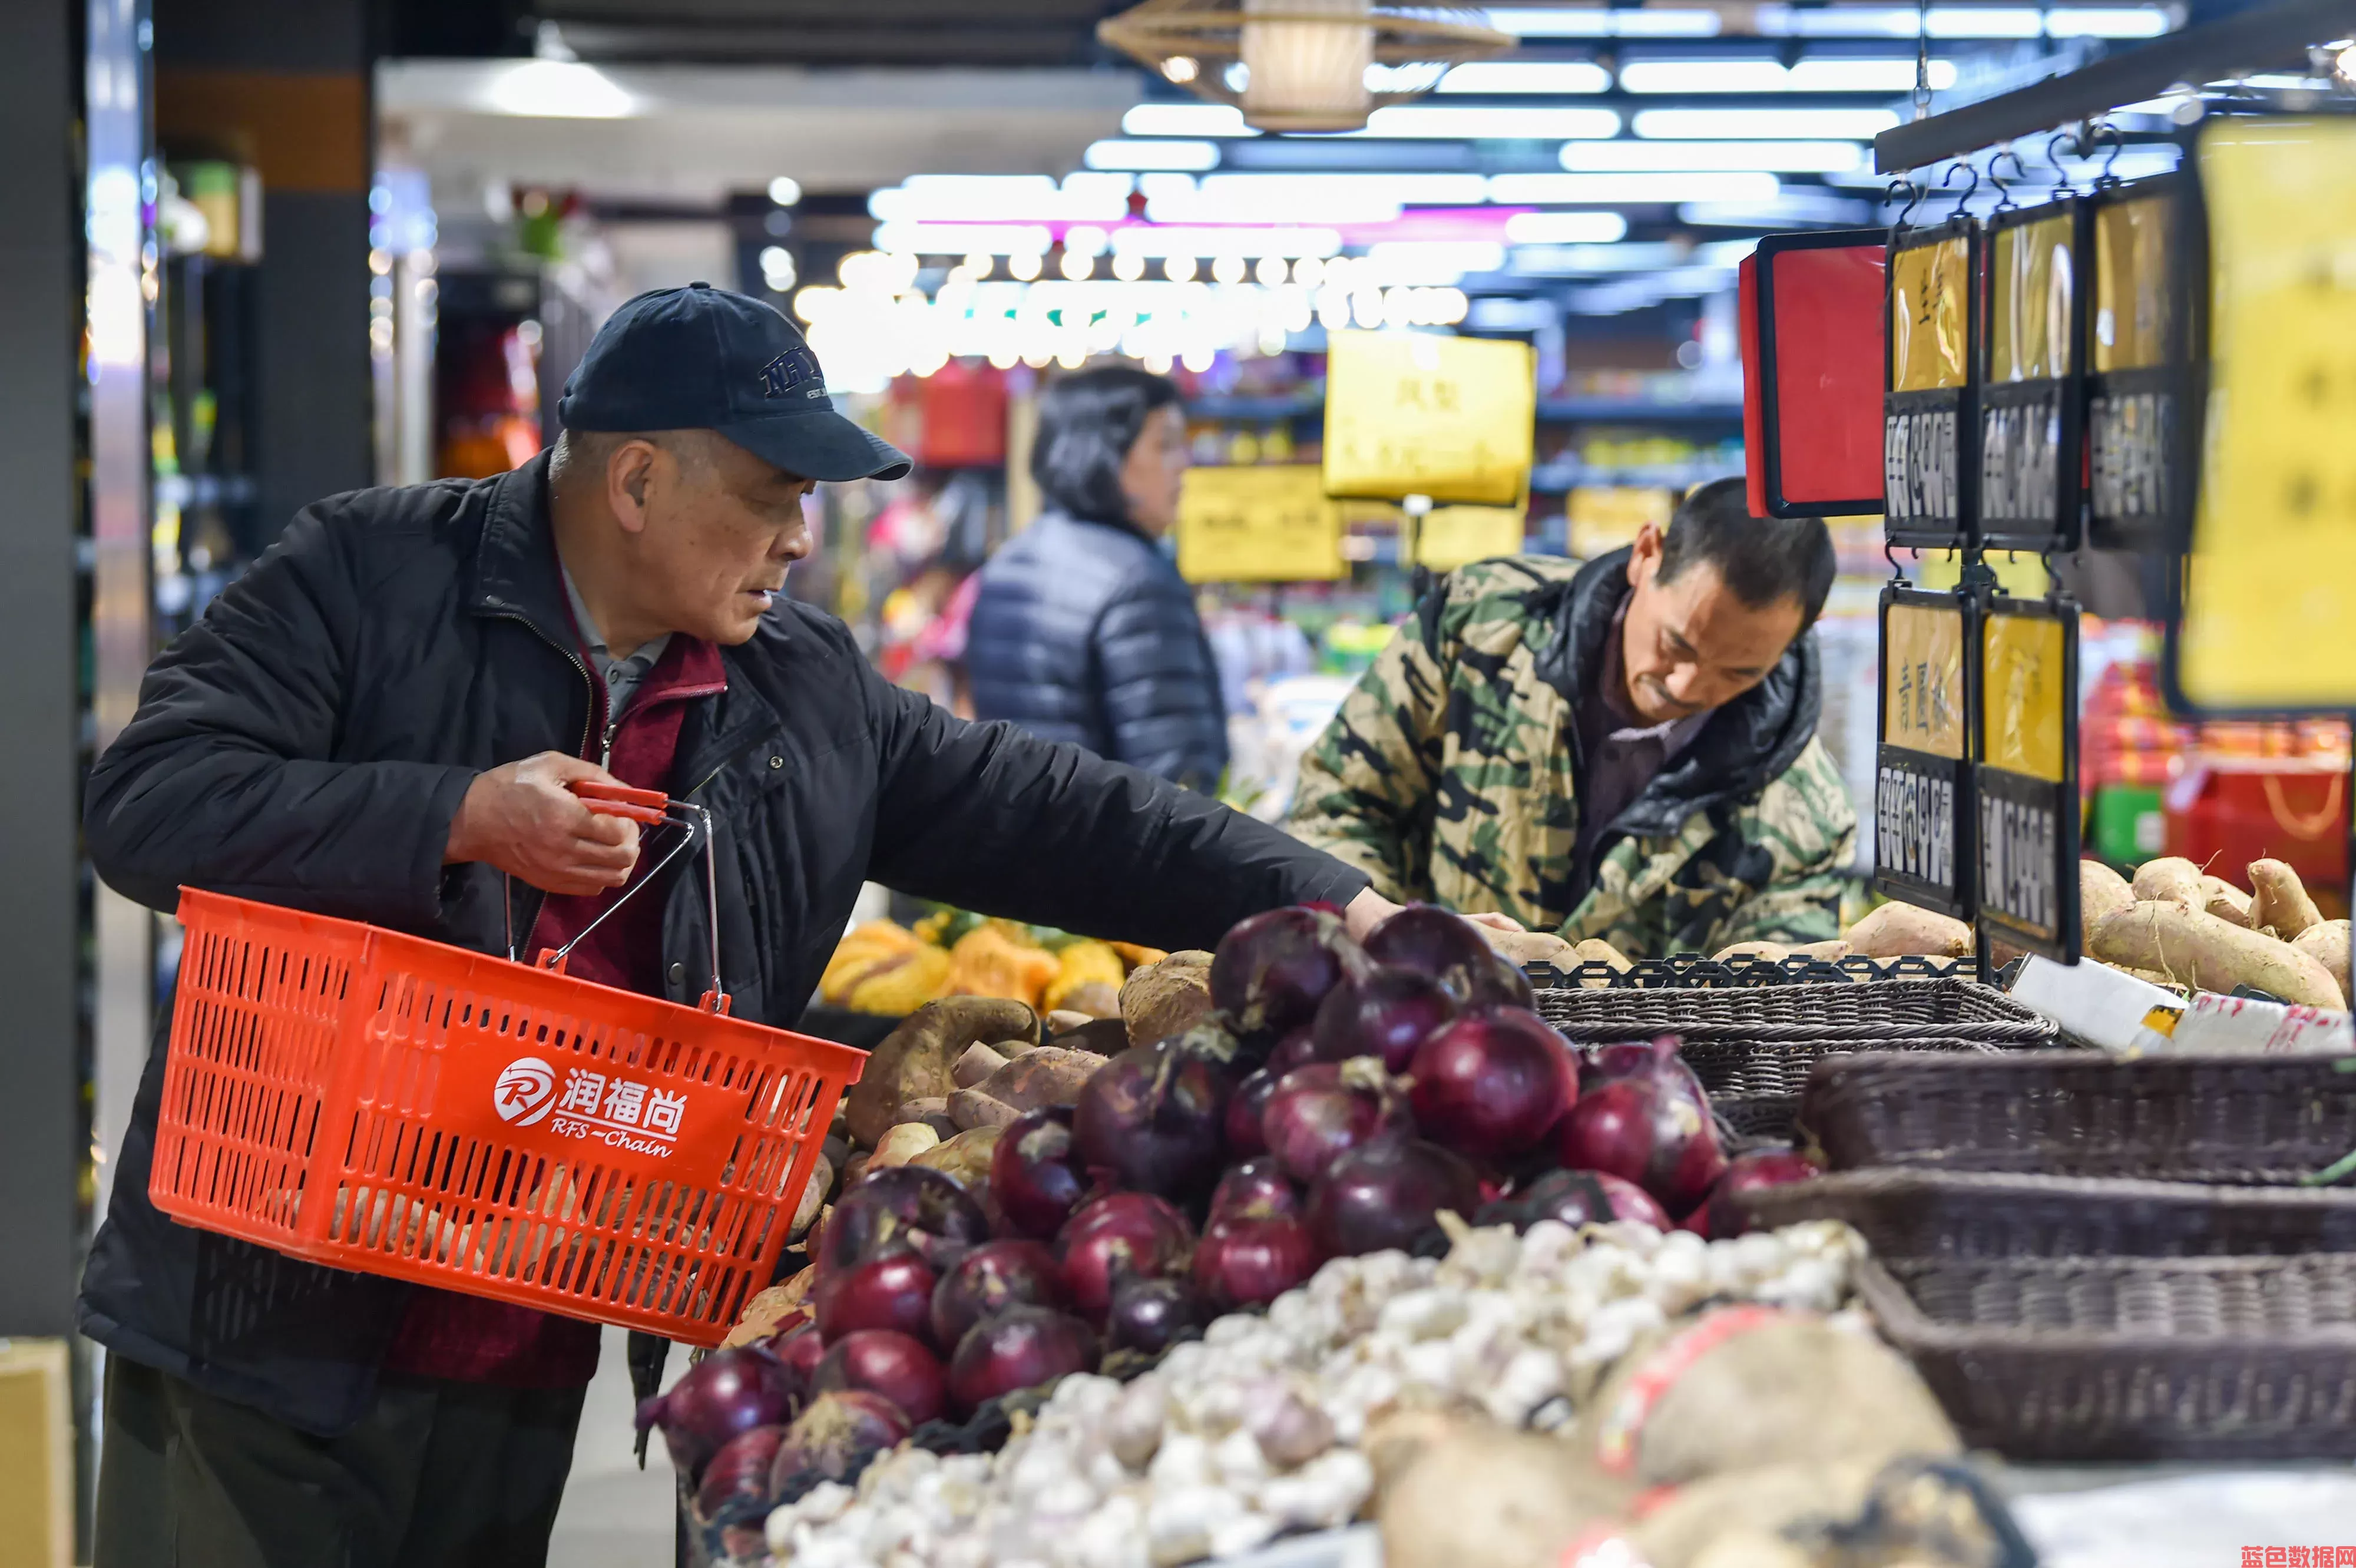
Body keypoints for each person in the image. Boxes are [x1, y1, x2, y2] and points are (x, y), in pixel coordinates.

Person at [78, 284, 1404, 1568]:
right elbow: (147, 800)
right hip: (264, 1305)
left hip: (524, 1327)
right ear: (637, 482)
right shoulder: (365, 573)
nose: (796, 537)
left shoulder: (795, 687)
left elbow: (1055, 812)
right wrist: (459, 813)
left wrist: (1329, 897)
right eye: (770, 496)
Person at [1288, 478, 1857, 956]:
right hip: (1423, 1026)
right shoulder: (1482, 624)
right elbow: (1341, 802)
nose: (1689, 685)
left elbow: (1769, 1006)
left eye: (1739, 673)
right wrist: (1393, 939)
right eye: (1677, 644)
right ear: (1646, 555)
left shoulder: (1804, 815)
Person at [965, 365, 1230, 792]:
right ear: (1103, 452)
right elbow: (1177, 785)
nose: (1184, 465)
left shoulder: (1008, 563)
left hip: (1023, 840)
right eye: (1166, 445)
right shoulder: (1138, 581)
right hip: (1110, 849)